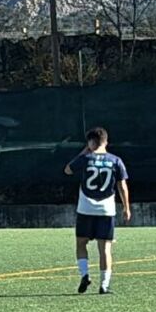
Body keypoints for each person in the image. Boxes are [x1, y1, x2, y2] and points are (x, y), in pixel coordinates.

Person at [64, 126, 131, 294]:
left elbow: (67, 170)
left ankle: (85, 274)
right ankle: (104, 285)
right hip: (106, 209)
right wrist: (126, 207)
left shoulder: (85, 158)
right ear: (106, 142)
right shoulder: (116, 160)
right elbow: (122, 186)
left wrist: (84, 151)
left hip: (86, 208)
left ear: (90, 142)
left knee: (81, 243)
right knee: (105, 248)